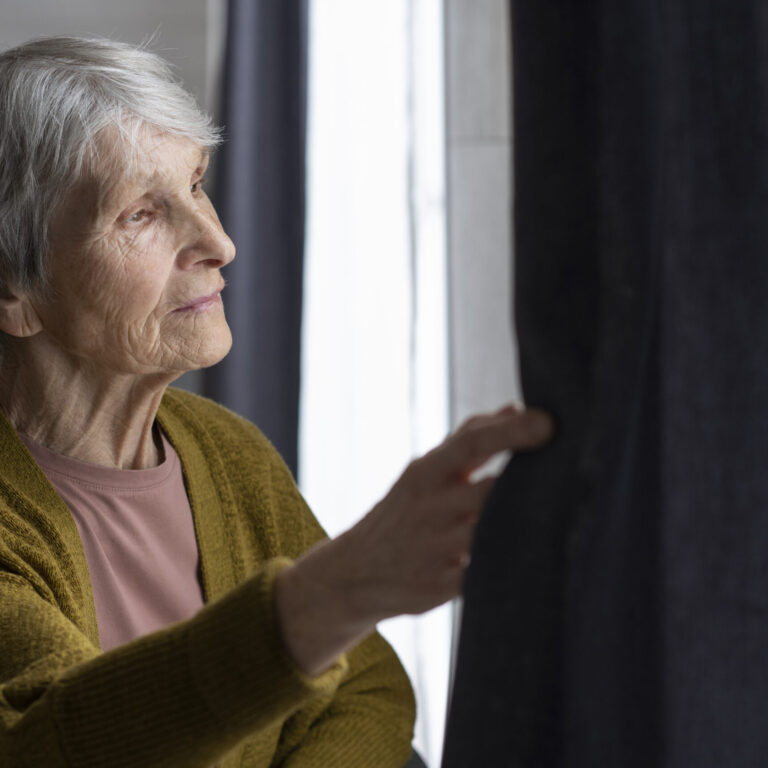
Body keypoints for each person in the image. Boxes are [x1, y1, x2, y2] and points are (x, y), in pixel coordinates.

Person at [0, 36, 553, 767]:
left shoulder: (228, 453)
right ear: (15, 289)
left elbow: (370, 689)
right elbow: (55, 745)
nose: (218, 241)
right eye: (140, 214)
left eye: (196, 183)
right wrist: (335, 592)